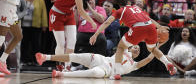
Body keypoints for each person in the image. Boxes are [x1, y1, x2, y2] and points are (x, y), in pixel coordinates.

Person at [89, 0, 176, 80]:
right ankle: (167, 63)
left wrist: (96, 34)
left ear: (117, 4)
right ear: (127, 1)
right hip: (151, 27)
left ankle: (117, 73)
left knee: (120, 47)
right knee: (153, 49)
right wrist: (159, 26)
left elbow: (107, 22)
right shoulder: (136, 8)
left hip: (138, 27)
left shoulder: (119, 11)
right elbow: (149, 19)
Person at [48, 0, 97, 70]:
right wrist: (91, 21)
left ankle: (68, 66)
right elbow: (80, 11)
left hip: (68, 13)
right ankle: (59, 64)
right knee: (61, 43)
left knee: (72, 41)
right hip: (57, 14)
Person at [35, 44, 163, 79]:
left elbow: (148, 59)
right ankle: (45, 57)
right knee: (75, 56)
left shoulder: (135, 65)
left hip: (106, 71)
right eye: (135, 46)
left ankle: (61, 74)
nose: (137, 49)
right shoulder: (123, 50)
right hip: (101, 59)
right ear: (130, 48)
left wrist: (157, 47)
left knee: (95, 73)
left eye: (139, 49)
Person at [0, 0, 33, 75]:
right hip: (7, 8)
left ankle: (2, 61)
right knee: (1, 38)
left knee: (18, 36)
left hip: (11, 10)